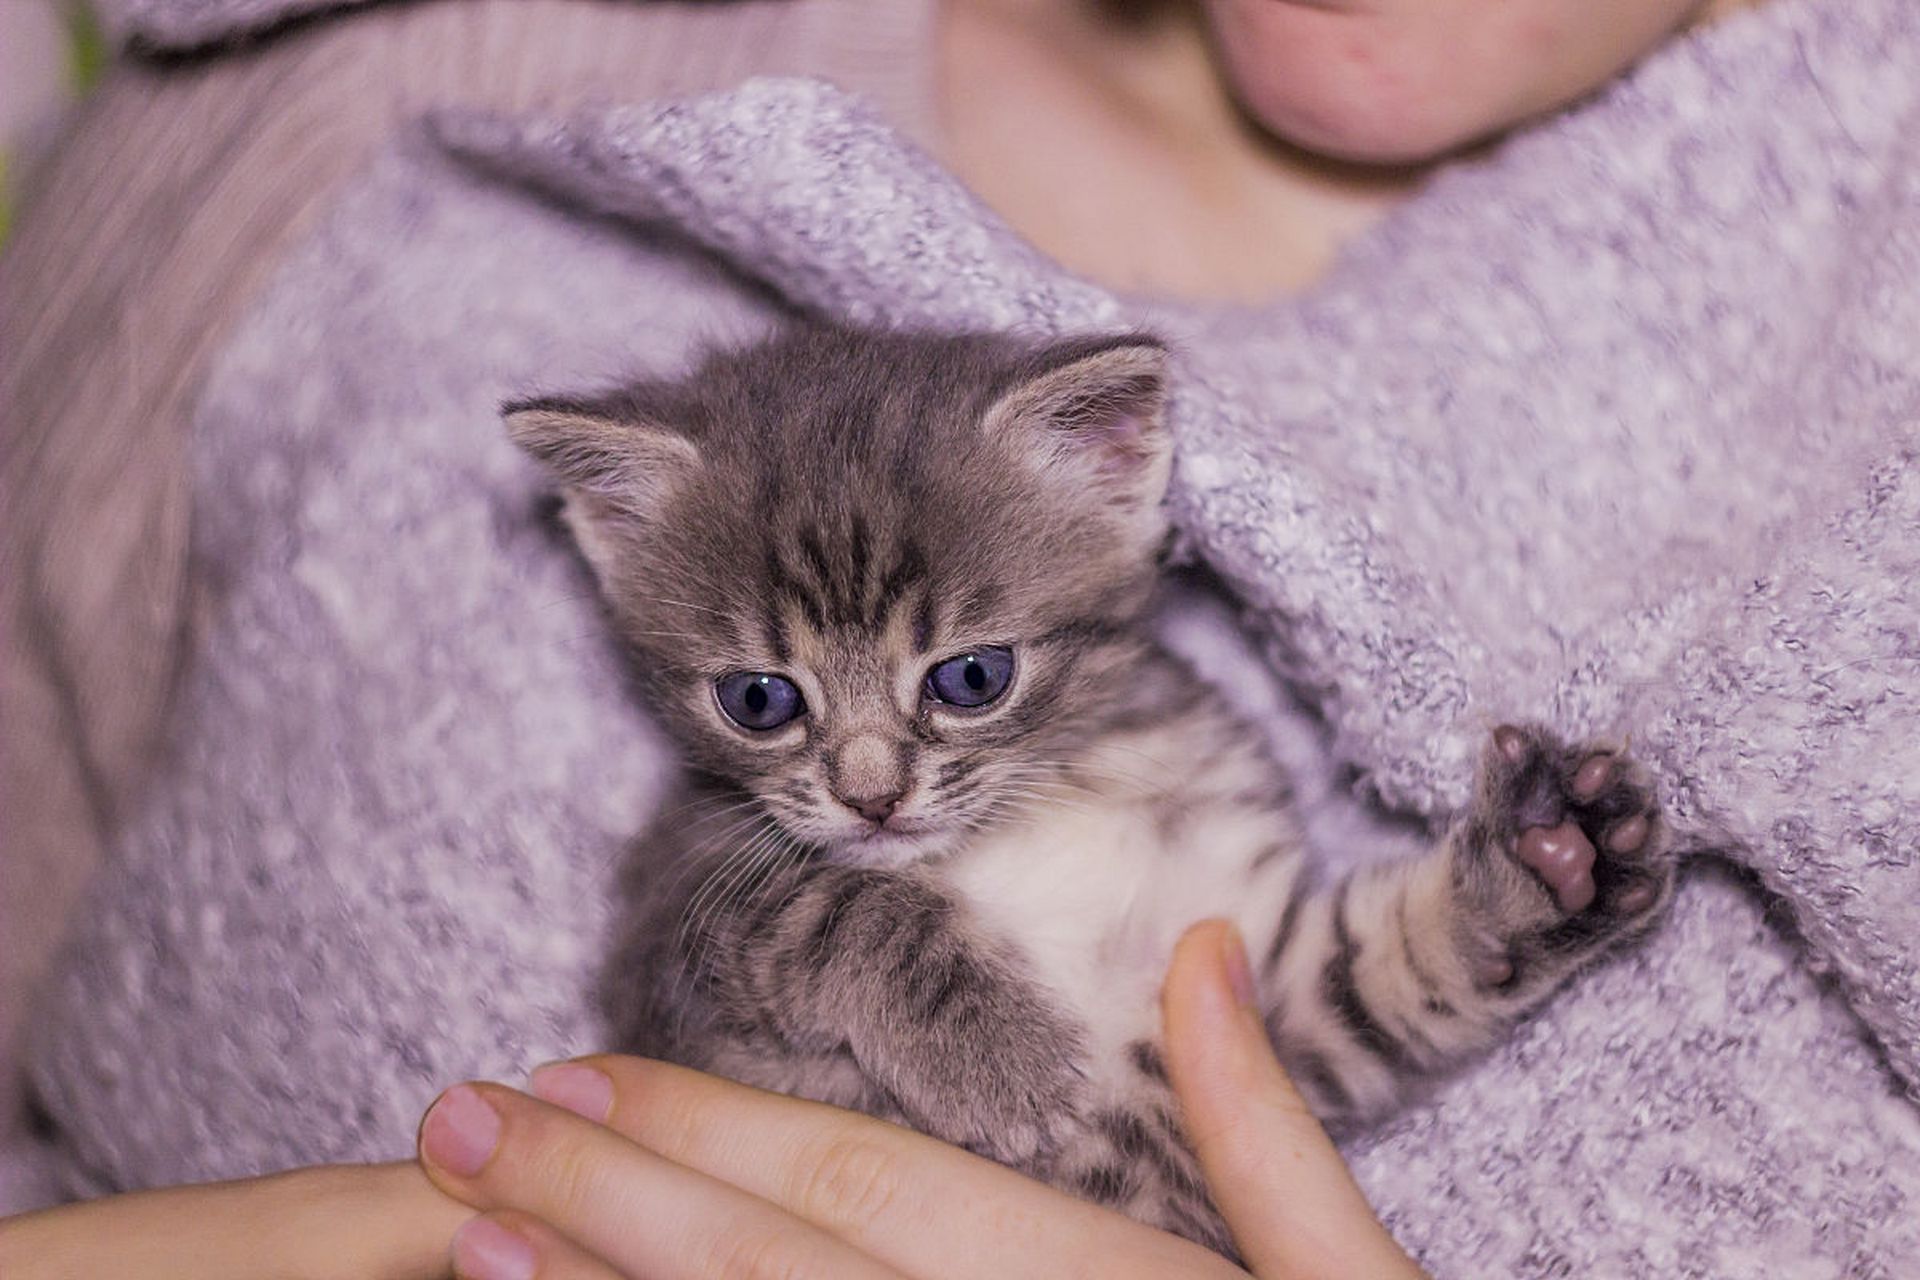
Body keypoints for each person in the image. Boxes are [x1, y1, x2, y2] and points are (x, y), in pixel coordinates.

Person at [0, 0, 1777, 1274]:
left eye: (965, 682)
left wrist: (1486, 916)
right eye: (768, 701)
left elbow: (1285, 1037)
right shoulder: (322, 91)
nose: (862, 780)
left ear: (1121, 478)